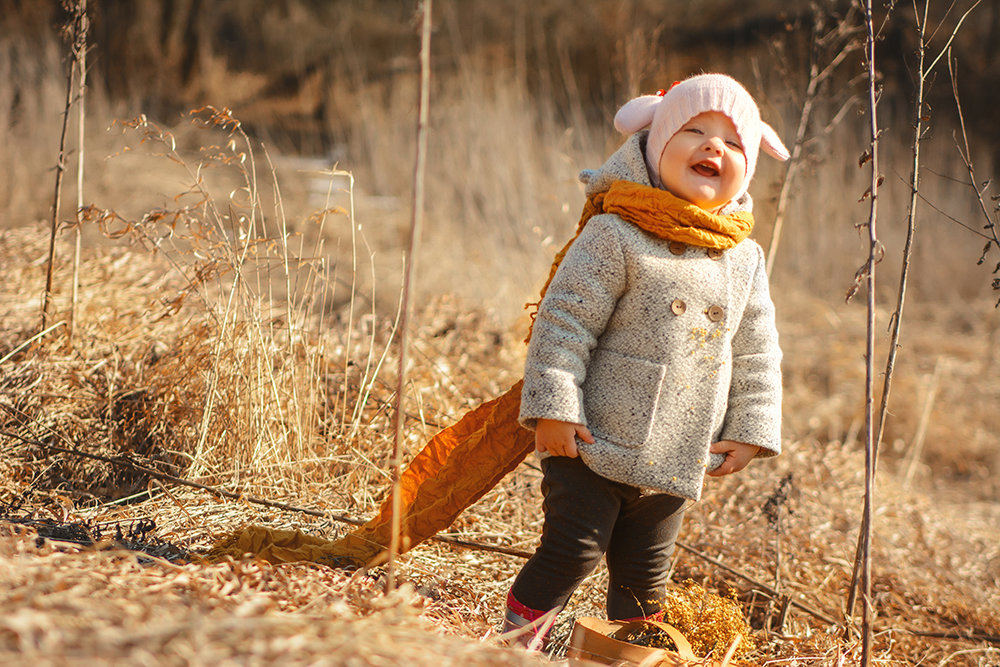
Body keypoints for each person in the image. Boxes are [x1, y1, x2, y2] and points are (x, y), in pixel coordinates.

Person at [502, 73, 789, 646]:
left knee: (644, 583)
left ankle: (620, 657)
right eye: (694, 130)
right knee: (571, 554)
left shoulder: (744, 258)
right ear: (655, 145)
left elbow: (757, 349)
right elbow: (564, 326)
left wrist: (752, 427)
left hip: (676, 453)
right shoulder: (616, 233)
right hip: (591, 442)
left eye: (734, 142)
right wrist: (554, 408)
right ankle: (512, 650)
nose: (715, 147)